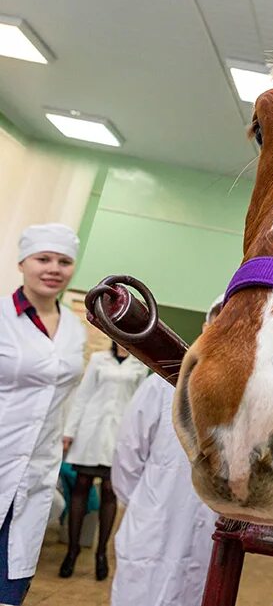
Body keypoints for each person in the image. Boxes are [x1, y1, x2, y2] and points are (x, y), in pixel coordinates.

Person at [109, 295, 222, 606]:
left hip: (204, 539)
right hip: (151, 528)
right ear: (205, 327)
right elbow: (127, 458)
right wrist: (148, 506)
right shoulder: (161, 386)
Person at [0, 224, 85, 606]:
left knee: (10, 580)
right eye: (43, 259)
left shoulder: (73, 328)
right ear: (22, 263)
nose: (54, 268)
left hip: (35, 470)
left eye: (64, 261)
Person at [59, 341, 147, 579]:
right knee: (81, 487)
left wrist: (138, 443)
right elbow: (83, 396)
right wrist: (69, 432)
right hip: (91, 433)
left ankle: (100, 553)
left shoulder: (140, 364)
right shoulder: (99, 359)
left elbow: (140, 405)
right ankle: (73, 550)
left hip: (119, 436)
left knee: (110, 491)